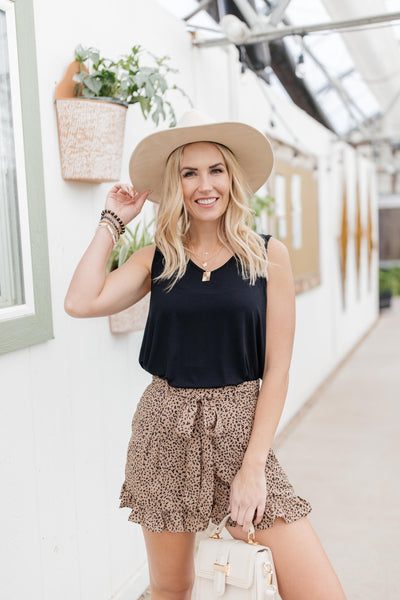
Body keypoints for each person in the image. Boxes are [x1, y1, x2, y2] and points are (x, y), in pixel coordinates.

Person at [64, 110, 347, 600]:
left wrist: (254, 467)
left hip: (240, 427)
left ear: (232, 178)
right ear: (177, 184)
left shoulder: (267, 256)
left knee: (320, 592)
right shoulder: (157, 258)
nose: (204, 185)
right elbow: (80, 301)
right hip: (164, 428)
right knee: (171, 588)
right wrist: (113, 220)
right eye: (188, 173)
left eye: (215, 169)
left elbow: (277, 371)